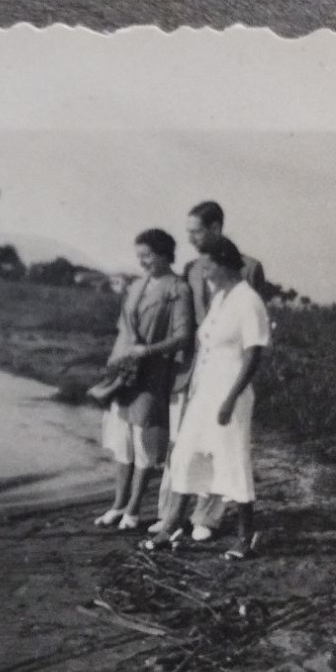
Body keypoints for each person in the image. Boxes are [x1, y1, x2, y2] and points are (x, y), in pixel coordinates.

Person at [147, 235, 270, 558]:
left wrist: (230, 399)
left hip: (231, 393)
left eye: (207, 265)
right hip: (205, 392)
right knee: (185, 454)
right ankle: (172, 524)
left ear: (224, 264)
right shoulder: (220, 298)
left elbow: (253, 354)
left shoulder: (248, 300)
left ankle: (246, 537)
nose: (203, 272)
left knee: (232, 460)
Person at [93, 229, 193, 531]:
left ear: (164, 254)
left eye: (147, 256)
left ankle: (134, 510)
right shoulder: (137, 285)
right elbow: (124, 327)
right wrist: (118, 362)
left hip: (153, 375)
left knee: (144, 444)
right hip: (125, 373)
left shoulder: (178, 289)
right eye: (139, 257)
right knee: (122, 442)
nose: (143, 262)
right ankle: (118, 505)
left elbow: (183, 336)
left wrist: (147, 350)